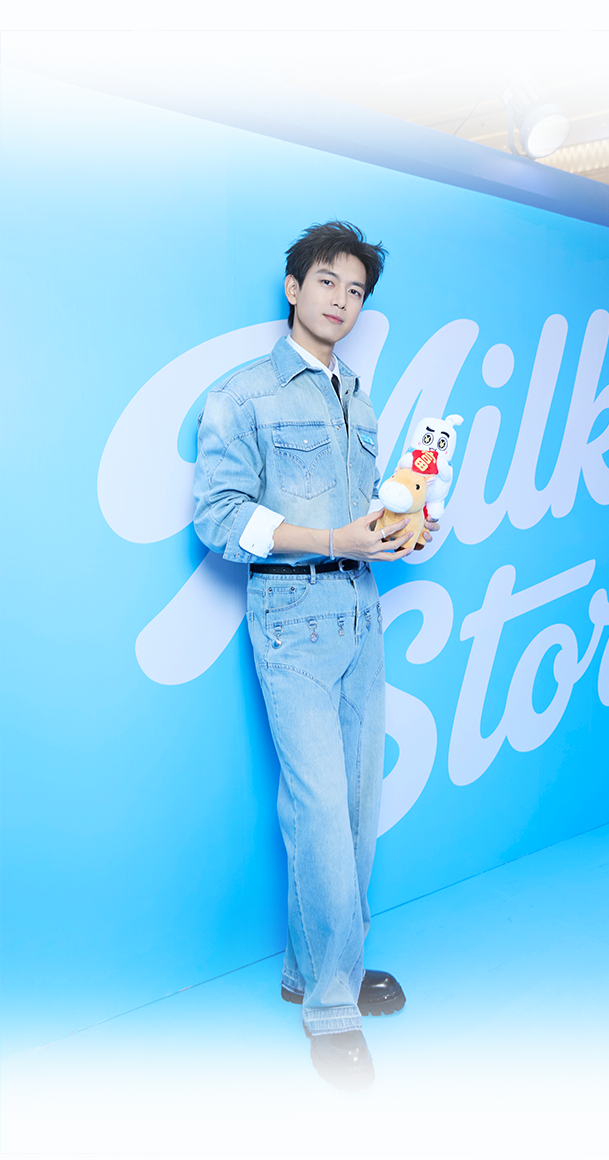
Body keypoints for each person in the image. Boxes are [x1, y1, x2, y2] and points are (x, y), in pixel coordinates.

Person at [193, 221, 437, 1092]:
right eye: (327, 281)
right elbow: (219, 517)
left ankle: (316, 966)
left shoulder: (359, 403)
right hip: (292, 618)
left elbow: (365, 517)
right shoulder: (243, 394)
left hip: (361, 612)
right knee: (321, 813)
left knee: (358, 809)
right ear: (293, 288)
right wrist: (330, 539)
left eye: (356, 290)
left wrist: (404, 531)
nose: (341, 300)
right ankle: (332, 1007)